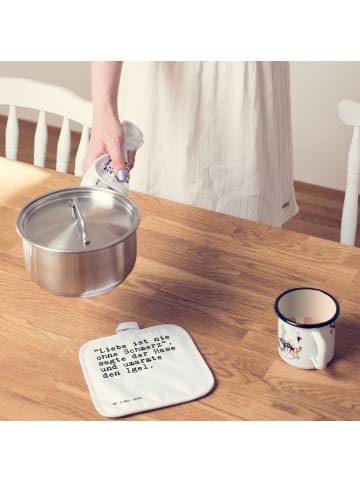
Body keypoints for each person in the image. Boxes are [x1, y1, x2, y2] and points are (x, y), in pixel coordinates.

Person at [83, 61, 298, 227]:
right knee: (149, 228)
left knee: (248, 234)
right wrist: (103, 113)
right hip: (162, 91)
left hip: (246, 86)